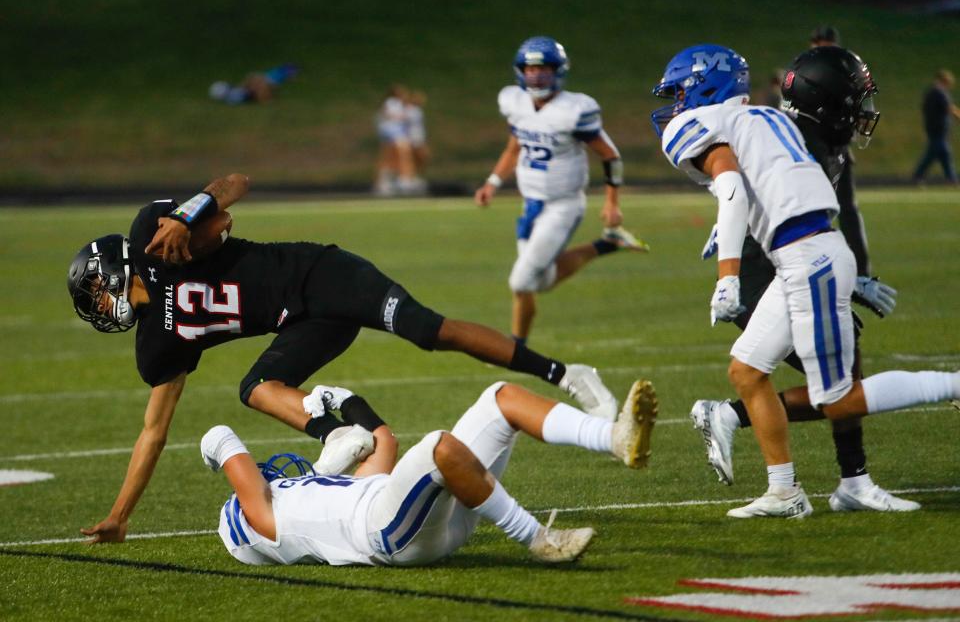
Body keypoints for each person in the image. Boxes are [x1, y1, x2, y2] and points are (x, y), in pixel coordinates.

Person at [67, 173, 621, 542]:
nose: (99, 304)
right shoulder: (156, 344)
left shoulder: (151, 234)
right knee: (255, 386)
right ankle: (333, 434)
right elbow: (153, 432)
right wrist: (120, 517)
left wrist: (189, 216)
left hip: (319, 275)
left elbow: (232, 194)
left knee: (431, 331)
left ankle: (565, 372)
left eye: (96, 290)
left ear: (114, 267)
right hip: (301, 323)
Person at [651, 43, 960, 518]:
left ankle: (954, 385)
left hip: (805, 260)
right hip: (810, 253)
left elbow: (732, 189)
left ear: (700, 88)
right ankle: (785, 492)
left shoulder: (705, 126)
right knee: (747, 371)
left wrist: (728, 277)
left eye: (678, 93)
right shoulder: (769, 119)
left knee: (839, 399)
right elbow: (777, 189)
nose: (674, 106)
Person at [202, 378, 658, 566]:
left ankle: (612, 438)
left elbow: (383, 441)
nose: (273, 475)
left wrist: (344, 400)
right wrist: (212, 452)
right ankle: (539, 539)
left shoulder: (321, 503)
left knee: (500, 398)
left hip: (414, 515)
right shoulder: (264, 520)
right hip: (389, 533)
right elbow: (223, 439)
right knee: (440, 446)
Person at [474, 36, 649, 346]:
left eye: (544, 69)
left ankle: (517, 348)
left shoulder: (574, 110)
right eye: (530, 69)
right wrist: (493, 182)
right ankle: (608, 244)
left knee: (521, 280)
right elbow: (514, 148)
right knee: (539, 280)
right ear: (520, 72)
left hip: (563, 205)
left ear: (558, 72)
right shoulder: (515, 103)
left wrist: (612, 203)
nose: (536, 76)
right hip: (531, 205)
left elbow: (610, 155)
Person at [374, 85, 425, 196]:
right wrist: (403, 116)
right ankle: (404, 180)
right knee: (401, 154)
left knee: (391, 158)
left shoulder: (401, 105)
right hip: (393, 133)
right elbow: (391, 115)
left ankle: (397, 180)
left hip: (396, 133)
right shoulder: (392, 102)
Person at [912, 69, 960, 185]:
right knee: (943, 152)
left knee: (936, 154)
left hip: (933, 128)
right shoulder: (940, 93)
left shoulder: (930, 93)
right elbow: (950, 108)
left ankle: (919, 176)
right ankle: (951, 178)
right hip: (938, 129)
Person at [208, 63, 299, 105]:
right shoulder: (234, 98)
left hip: (251, 92)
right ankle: (287, 70)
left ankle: (285, 70)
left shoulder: (231, 97)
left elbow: (244, 89)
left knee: (254, 77)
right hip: (253, 94)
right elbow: (249, 94)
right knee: (258, 79)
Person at [406, 90, 431, 176]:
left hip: (418, 136)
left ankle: (414, 174)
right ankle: (410, 174)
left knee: (421, 157)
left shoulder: (417, 109)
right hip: (412, 136)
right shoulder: (409, 109)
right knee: (416, 156)